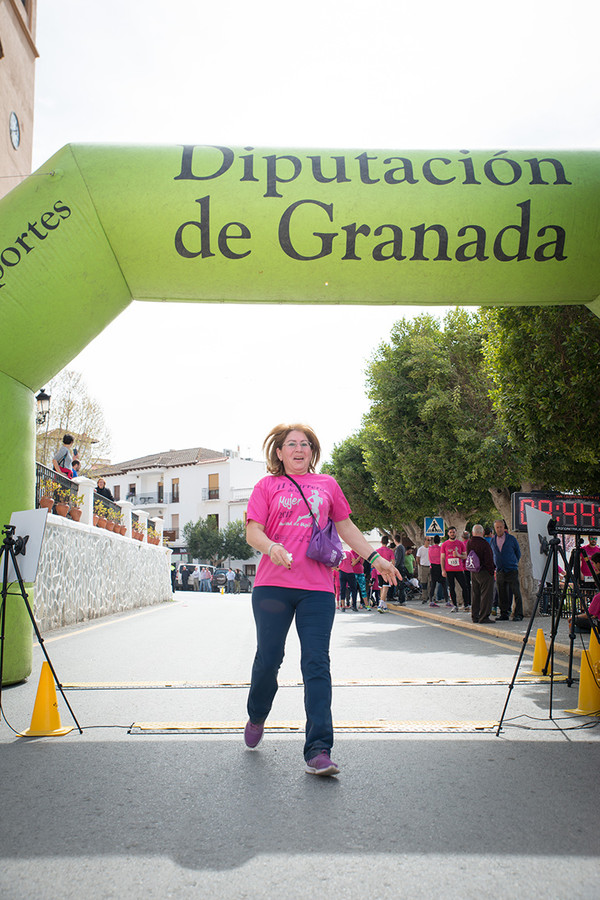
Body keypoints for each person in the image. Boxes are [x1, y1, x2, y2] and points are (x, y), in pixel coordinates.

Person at [243, 423, 400, 777]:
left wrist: (376, 559)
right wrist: (272, 547)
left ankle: (319, 749)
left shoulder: (327, 484)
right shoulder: (266, 486)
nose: (298, 449)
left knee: (317, 664)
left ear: (312, 452)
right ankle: (257, 713)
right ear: (279, 452)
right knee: (269, 659)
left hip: (317, 588)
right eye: (291, 444)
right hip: (273, 587)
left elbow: (346, 528)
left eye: (305, 444)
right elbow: (253, 529)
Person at [490, 519, 523, 621]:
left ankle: (518, 614)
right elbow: (492, 554)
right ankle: (504, 613)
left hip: (511, 570)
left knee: (516, 592)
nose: (499, 529)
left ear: (504, 527)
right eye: (497, 527)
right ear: (495, 529)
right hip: (500, 570)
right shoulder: (493, 540)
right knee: (502, 593)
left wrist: (513, 563)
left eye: (500, 527)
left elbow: (518, 553)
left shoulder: (511, 539)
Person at [466, 525, 496, 623]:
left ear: (473, 532)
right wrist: (492, 571)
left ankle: (475, 616)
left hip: (474, 571)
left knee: (475, 594)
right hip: (484, 572)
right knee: (486, 595)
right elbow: (489, 559)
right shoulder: (484, 544)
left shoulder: (469, 542)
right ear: (482, 532)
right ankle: (484, 616)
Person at [441, 525, 471, 612]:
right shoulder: (444, 544)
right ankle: (455, 605)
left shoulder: (460, 543)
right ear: (448, 534)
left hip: (459, 569)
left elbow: (465, 556)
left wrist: (458, 555)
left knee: (464, 587)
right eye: (450, 532)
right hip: (449, 569)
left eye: (453, 532)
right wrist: (443, 570)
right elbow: (442, 558)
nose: (452, 534)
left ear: (456, 533)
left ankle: (466, 604)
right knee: (451, 588)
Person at [376, 535, 396, 612]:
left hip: (379, 571)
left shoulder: (377, 551)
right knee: (385, 588)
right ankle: (380, 604)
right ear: (387, 542)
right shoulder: (390, 551)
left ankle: (384, 606)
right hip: (387, 571)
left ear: (381, 542)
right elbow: (393, 562)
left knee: (381, 588)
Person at [428, 535, 448, 607]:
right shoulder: (441, 548)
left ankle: (431, 601)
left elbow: (429, 557)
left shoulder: (430, 548)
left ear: (433, 541)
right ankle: (447, 601)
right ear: (439, 541)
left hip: (432, 566)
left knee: (433, 585)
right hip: (440, 566)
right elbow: (444, 558)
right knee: (444, 584)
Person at [416, 537, 431, 602]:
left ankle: (431, 597)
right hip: (423, 567)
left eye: (430, 540)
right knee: (424, 583)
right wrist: (420, 565)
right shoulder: (421, 549)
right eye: (428, 540)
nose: (429, 541)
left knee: (430, 583)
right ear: (424, 541)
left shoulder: (431, 548)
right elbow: (417, 558)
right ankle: (424, 597)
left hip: (430, 566)